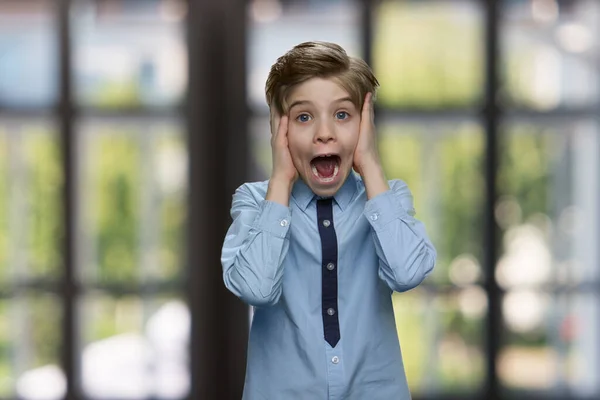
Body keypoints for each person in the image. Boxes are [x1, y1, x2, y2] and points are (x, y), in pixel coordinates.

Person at [221, 41, 436, 399]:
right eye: (303, 117)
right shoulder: (256, 202)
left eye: (342, 115)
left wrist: (371, 167)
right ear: (280, 128)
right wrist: (280, 181)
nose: (324, 133)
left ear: (365, 125)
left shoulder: (389, 198)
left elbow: (408, 273)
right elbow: (255, 289)